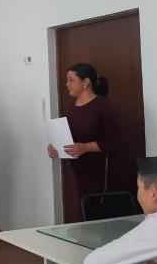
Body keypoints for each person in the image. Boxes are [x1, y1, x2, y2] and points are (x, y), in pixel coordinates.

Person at [47, 63, 120, 222]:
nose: (67, 84)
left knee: (100, 215)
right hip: (80, 172)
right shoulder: (70, 108)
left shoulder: (103, 105)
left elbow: (115, 141)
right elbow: (68, 138)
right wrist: (54, 148)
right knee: (85, 213)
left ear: (85, 81)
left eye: (71, 80)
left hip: (102, 172)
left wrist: (85, 147)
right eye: (67, 80)